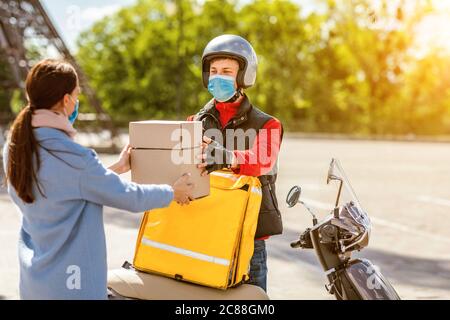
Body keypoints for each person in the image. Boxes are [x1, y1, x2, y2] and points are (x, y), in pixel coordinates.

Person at [2, 59, 199, 299]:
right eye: (76, 96)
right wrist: (172, 191)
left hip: (34, 284)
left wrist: (115, 167)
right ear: (66, 100)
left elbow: (63, 187)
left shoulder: (15, 147)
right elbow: (129, 198)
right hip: (73, 287)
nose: (76, 102)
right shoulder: (74, 157)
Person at [187, 35, 284, 292]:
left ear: (243, 76)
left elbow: (262, 161)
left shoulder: (268, 124)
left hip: (249, 238)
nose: (218, 77)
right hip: (206, 230)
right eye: (214, 71)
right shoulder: (193, 122)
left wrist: (227, 156)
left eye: (227, 71)